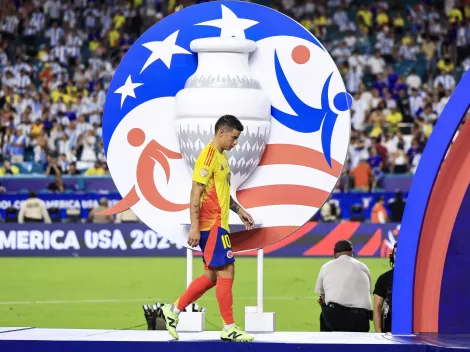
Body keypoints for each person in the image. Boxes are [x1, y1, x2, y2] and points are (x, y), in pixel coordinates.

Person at [161, 115, 255, 342]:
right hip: (211, 226)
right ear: (221, 132)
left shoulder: (222, 158)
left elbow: (221, 193)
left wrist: (239, 210)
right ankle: (228, 327)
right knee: (227, 271)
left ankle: (172, 310)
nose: (235, 143)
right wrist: (194, 227)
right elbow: (196, 191)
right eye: (233, 138)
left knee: (212, 276)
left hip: (218, 225)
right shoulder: (209, 155)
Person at [315, 240, 372, 332]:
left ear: (334, 254)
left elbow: (322, 296)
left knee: (325, 316)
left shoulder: (326, 266)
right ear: (351, 253)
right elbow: (367, 292)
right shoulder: (363, 267)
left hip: (334, 314)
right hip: (360, 318)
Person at [373, 242, 397, 333]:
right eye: (395, 254)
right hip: (388, 330)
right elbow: (377, 307)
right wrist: (378, 333)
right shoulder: (384, 279)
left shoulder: (415, 278)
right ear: (392, 257)